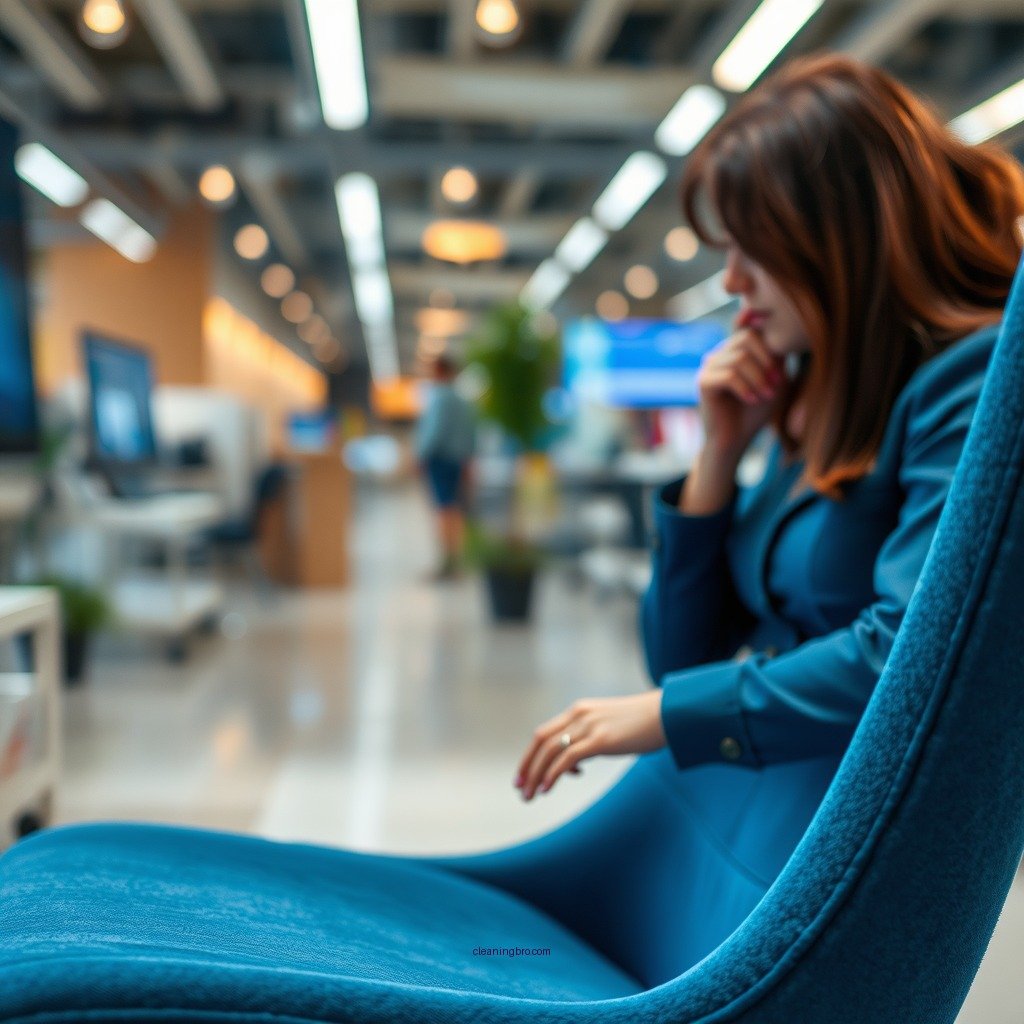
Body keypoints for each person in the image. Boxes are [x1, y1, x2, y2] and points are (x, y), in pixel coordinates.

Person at [515, 54, 1024, 802]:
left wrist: (669, 717)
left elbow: (916, 655)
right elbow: (679, 659)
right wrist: (721, 450)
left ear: (840, 240)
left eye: (752, 248)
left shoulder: (970, 381)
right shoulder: (819, 386)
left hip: (826, 832)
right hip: (756, 801)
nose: (730, 281)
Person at [414, 354, 477, 580]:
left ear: (439, 371)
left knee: (443, 512)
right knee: (455, 511)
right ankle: (455, 562)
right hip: (459, 460)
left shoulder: (439, 398)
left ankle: (446, 564)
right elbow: (472, 433)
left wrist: (420, 456)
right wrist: (470, 458)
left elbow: (434, 432)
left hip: (440, 460)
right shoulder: (463, 400)